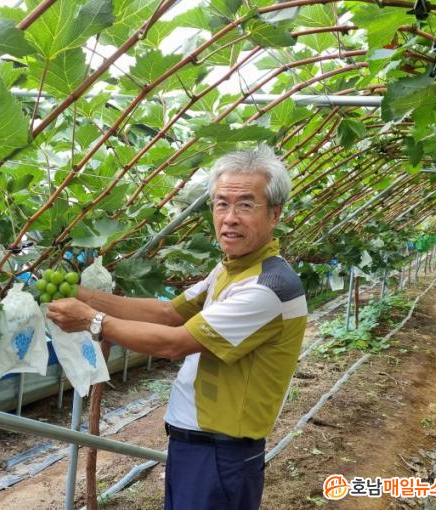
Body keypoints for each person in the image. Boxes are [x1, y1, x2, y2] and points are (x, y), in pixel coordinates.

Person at [46, 145, 307, 510]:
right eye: (221, 204)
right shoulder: (230, 269)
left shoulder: (267, 288)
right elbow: (169, 312)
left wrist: (92, 320)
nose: (229, 218)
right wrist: (84, 294)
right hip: (198, 447)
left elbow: (174, 342)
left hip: (220, 453)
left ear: (274, 213)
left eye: (246, 205)